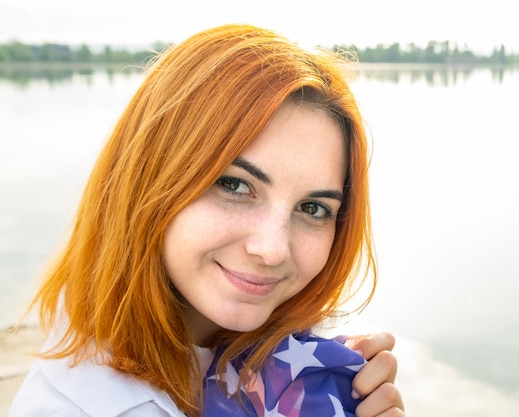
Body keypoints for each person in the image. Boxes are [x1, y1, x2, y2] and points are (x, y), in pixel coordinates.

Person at [9, 23, 405, 417]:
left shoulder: (302, 373)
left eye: (313, 208)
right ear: (148, 176)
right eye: (234, 184)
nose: (271, 249)